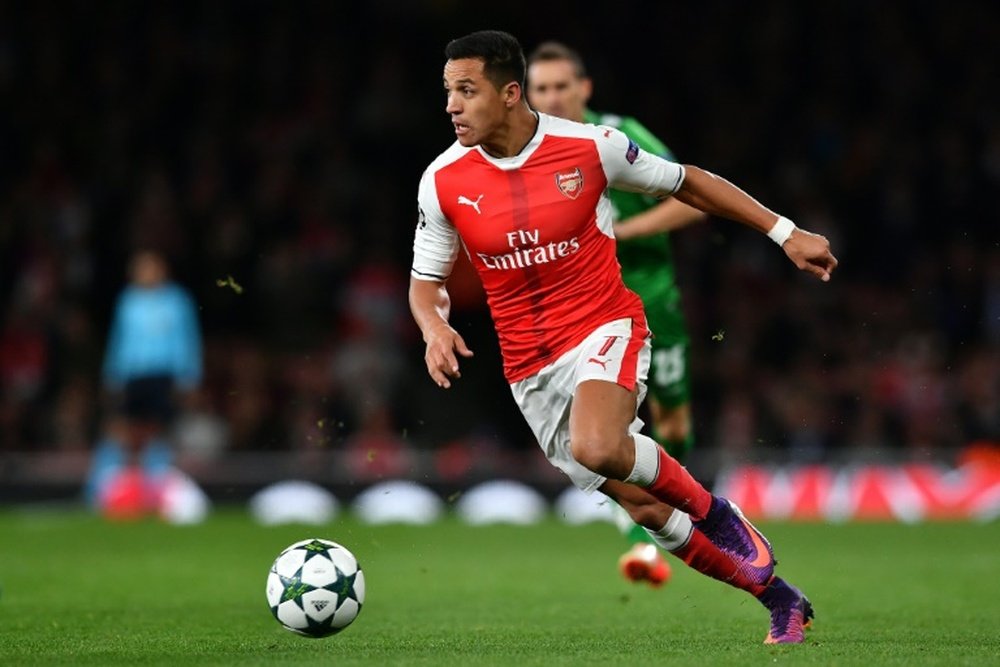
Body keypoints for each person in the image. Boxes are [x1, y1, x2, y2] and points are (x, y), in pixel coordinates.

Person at [410, 30, 836, 644]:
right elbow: (425, 283)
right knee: (645, 509)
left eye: (467, 90)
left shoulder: (592, 148)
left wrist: (783, 231)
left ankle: (720, 515)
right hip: (529, 368)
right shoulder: (442, 179)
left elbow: (686, 181)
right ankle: (779, 599)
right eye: (449, 91)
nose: (451, 105)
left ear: (509, 93)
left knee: (599, 444)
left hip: (604, 324)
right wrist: (433, 327)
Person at [526, 41, 706, 588]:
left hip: (650, 296)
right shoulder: (524, 151)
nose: (552, 97)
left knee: (672, 420)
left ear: (584, 89)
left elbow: (689, 196)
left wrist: (620, 231)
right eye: (541, 89)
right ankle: (644, 532)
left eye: (562, 86)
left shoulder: (616, 136)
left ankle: (681, 513)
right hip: (587, 313)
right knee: (607, 432)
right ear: (526, 96)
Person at [86, 250, 203, 517]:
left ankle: (155, 491)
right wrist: (112, 376)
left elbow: (187, 339)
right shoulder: (128, 301)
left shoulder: (177, 301)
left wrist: (189, 376)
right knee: (123, 431)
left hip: (163, 375)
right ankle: (103, 491)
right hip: (133, 375)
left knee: (157, 432)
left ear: (162, 270)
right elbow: (118, 340)